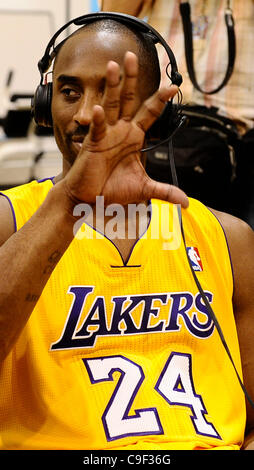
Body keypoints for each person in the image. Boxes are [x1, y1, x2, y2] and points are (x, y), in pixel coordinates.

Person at [0, 13, 253, 451]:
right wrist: (70, 205)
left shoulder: (229, 240)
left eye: (115, 95)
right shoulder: (10, 221)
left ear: (160, 111)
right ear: (45, 103)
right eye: (68, 91)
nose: (85, 115)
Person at [100, 0, 254, 228]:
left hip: (242, 134)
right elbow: (110, 21)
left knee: (233, 245)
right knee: (153, 239)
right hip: (158, 122)